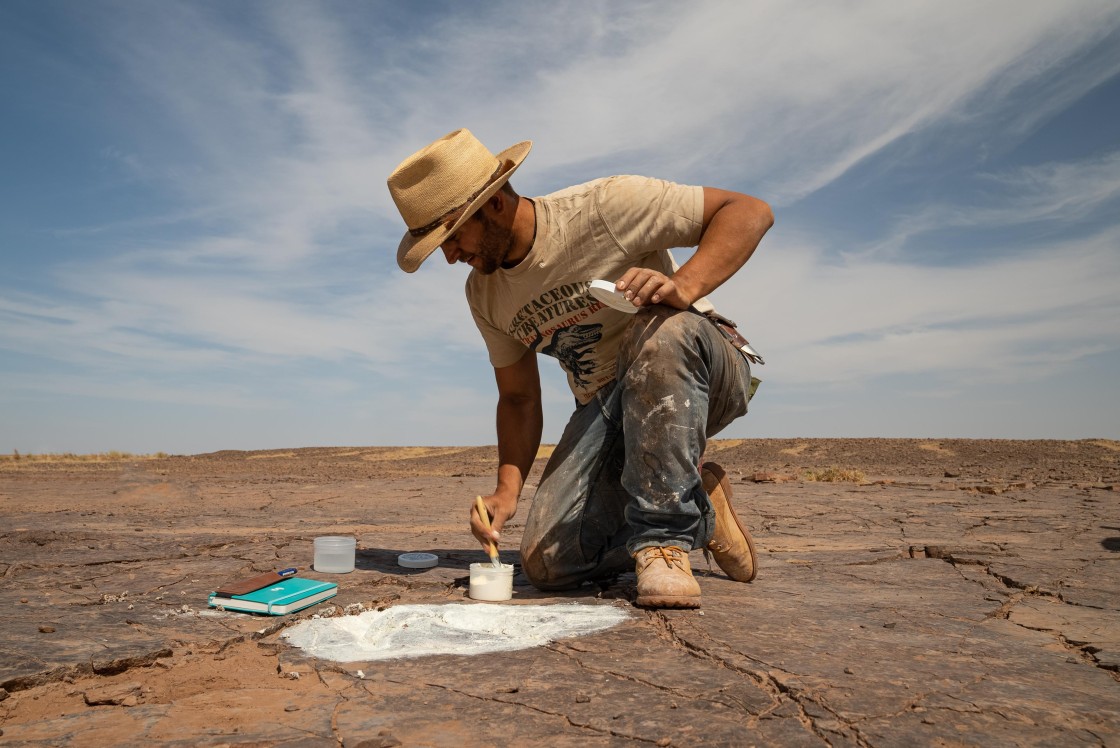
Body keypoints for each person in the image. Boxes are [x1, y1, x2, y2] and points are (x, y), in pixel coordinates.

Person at [386, 129, 773, 608]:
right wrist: (506, 493)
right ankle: (699, 504)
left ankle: (664, 542)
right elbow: (519, 398)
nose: (449, 256)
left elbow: (749, 211)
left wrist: (684, 286)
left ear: (493, 205)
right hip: (609, 411)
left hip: (698, 370)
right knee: (547, 563)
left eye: (452, 234)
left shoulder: (605, 207)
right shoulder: (485, 295)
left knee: (660, 331)